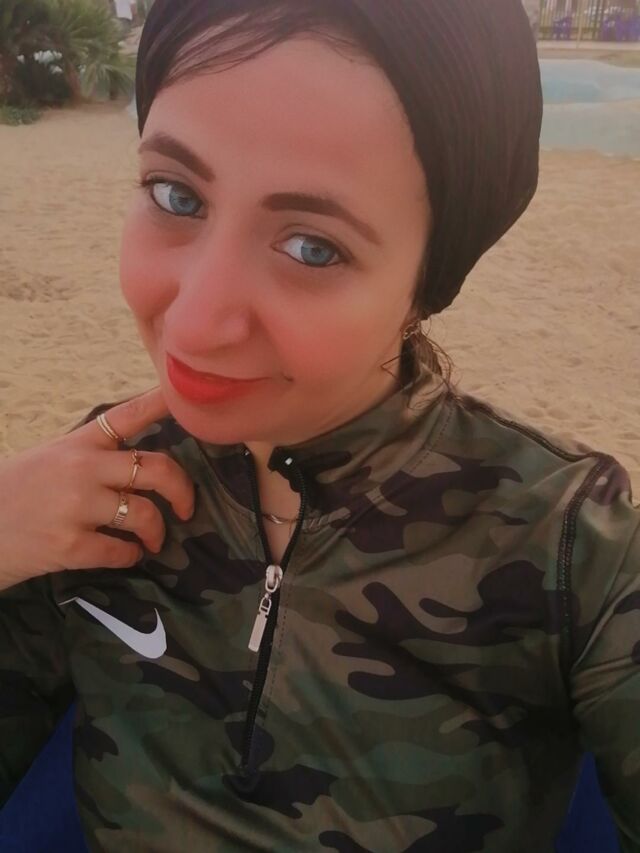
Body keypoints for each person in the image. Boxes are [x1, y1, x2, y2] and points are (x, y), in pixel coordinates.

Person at [1, 1, 638, 851]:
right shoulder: (101, 484)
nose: (195, 321)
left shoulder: (569, 547)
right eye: (175, 194)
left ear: (427, 283)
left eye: (312, 248)